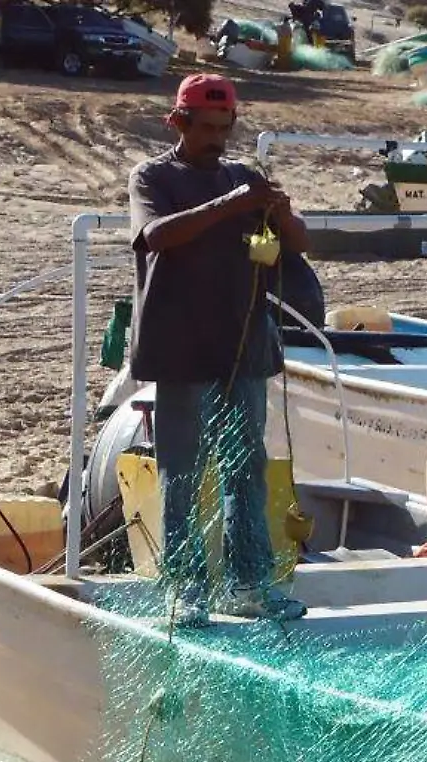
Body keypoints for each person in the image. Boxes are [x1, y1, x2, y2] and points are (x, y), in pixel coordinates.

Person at [127, 74, 310, 625]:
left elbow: (300, 243)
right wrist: (231, 205)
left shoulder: (246, 178)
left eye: (223, 128)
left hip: (245, 346)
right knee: (181, 470)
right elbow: (155, 235)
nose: (215, 138)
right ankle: (184, 588)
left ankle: (248, 584)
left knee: (244, 469)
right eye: (205, 128)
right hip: (181, 346)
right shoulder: (153, 176)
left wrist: (275, 211)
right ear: (179, 123)